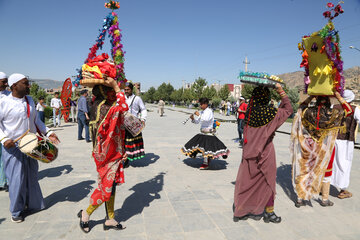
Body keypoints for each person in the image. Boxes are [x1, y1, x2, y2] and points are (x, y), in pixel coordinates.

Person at [0, 73, 60, 223]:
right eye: (25, 83)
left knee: (32, 177)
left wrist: (49, 132)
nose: (29, 86)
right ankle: (16, 211)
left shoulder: (30, 100)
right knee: (16, 180)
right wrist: (4, 138)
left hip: (32, 145)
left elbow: (36, 122)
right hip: (13, 147)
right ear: (14, 86)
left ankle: (34, 204)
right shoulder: (3, 102)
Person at [233, 84, 292, 224]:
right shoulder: (272, 113)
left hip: (248, 152)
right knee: (268, 182)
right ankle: (269, 213)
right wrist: (280, 91)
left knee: (246, 182)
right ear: (267, 97)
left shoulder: (249, 113)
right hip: (265, 153)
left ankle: (241, 211)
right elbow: (288, 109)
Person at [77, 78, 128, 233]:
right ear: (105, 92)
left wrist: (122, 149)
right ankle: (86, 213)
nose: (113, 92)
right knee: (106, 187)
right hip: (107, 154)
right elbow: (124, 107)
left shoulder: (98, 104)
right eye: (110, 90)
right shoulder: (106, 107)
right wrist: (116, 87)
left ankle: (110, 218)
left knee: (110, 186)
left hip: (111, 152)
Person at [290, 92, 352, 208]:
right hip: (325, 149)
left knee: (304, 171)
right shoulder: (333, 113)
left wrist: (310, 97)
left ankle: (300, 199)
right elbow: (349, 111)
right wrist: (338, 97)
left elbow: (301, 107)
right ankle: (324, 199)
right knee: (326, 173)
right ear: (329, 103)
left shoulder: (307, 112)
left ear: (316, 100)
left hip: (308, 147)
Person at [181, 97, 230, 170]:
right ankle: (207, 160)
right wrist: (193, 119)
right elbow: (198, 122)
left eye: (201, 104)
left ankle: (205, 163)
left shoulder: (209, 111)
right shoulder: (202, 112)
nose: (200, 106)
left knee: (206, 148)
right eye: (200, 104)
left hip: (208, 133)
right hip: (203, 132)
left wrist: (199, 115)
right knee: (200, 147)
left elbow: (206, 119)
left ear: (205, 104)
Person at [331, 90, 360, 199]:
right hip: (346, 141)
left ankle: (323, 187)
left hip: (333, 139)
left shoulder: (334, 107)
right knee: (344, 164)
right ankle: (343, 191)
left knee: (331, 162)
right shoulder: (354, 109)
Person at [124, 82, 147, 165]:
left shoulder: (137, 99)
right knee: (123, 141)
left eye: (128, 90)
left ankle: (130, 156)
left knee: (132, 142)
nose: (126, 91)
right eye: (125, 89)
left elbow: (143, 109)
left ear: (131, 90)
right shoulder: (122, 98)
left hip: (134, 124)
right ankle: (125, 159)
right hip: (123, 124)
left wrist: (143, 119)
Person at [0, 72, 10, 192]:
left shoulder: (9, 95)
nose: (6, 84)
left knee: (5, 157)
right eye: (3, 81)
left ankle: (6, 181)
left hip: (5, 133)